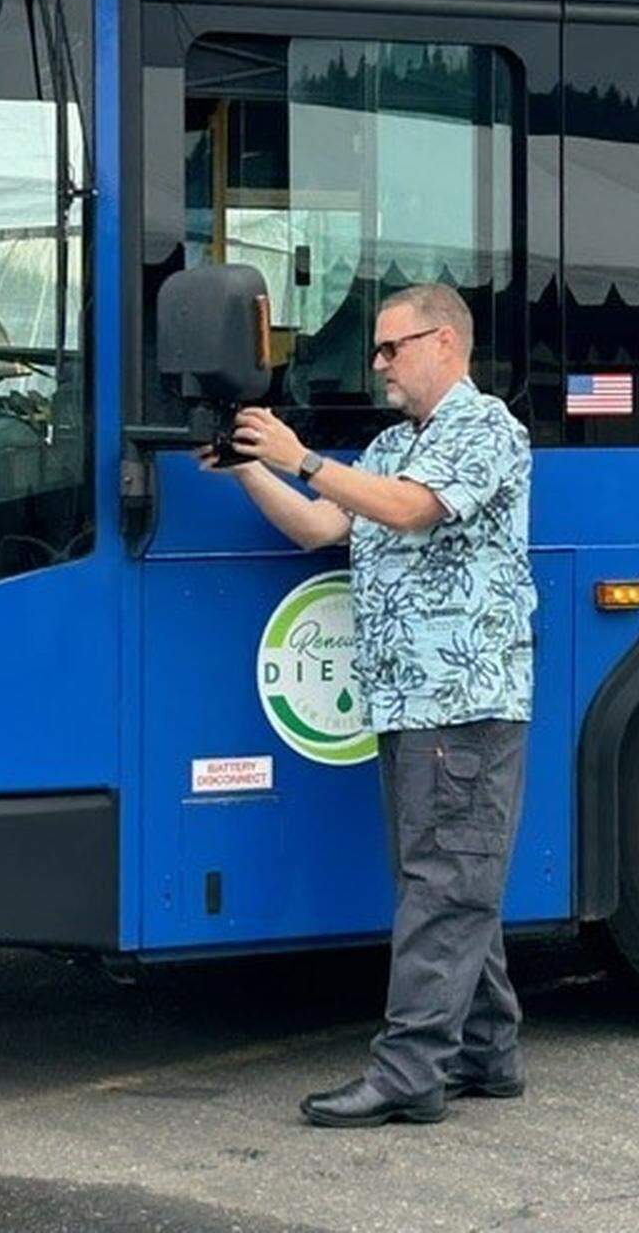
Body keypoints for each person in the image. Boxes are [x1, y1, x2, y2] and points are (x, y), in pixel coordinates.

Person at [210, 282, 535, 1128]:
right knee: (446, 877)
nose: (380, 363)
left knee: (444, 882)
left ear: (446, 345)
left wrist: (303, 455)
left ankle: (409, 1073)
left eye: (394, 347)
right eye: (379, 349)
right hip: (406, 703)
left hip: (462, 699)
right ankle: (485, 1053)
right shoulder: (393, 443)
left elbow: (411, 510)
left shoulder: (485, 428)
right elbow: (323, 527)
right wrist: (251, 467)